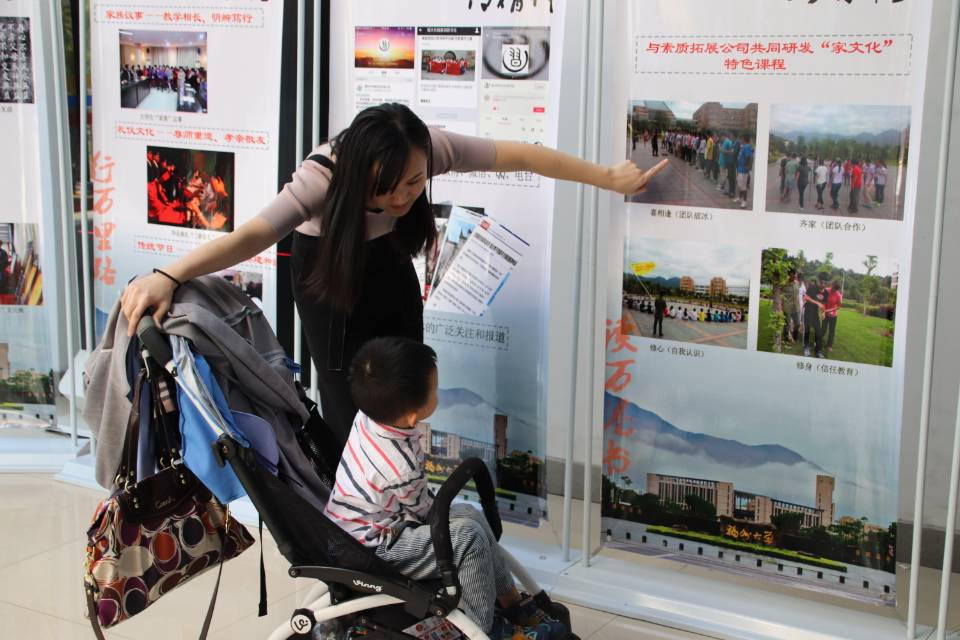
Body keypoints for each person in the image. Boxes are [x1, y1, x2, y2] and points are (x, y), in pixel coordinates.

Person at [121, 103, 662, 446]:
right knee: (350, 406)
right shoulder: (322, 177)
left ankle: (401, 496)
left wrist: (606, 177)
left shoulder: (423, 147)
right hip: (330, 281)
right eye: (387, 188)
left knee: (407, 385)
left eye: (415, 184)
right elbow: (254, 234)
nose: (404, 197)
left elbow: (519, 155)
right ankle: (353, 524)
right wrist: (169, 274)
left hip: (389, 267)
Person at [324, 337, 568, 639]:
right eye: (435, 390)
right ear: (413, 415)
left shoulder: (369, 416)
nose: (439, 394)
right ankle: (483, 627)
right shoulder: (398, 465)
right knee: (469, 539)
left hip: (368, 524)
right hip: (373, 548)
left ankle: (511, 602)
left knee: (470, 514)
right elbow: (425, 513)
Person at [802, 276, 826, 358]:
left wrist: (823, 312)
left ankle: (818, 351)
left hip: (815, 314)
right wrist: (817, 303)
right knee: (807, 330)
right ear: (818, 281)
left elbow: (823, 304)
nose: (823, 285)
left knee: (819, 332)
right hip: (808, 311)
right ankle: (806, 348)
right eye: (821, 283)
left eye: (825, 283)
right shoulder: (812, 287)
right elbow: (806, 297)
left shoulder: (825, 292)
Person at [823, 280, 843, 353]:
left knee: (831, 331)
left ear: (837, 289)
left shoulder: (838, 295)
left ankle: (829, 345)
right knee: (823, 329)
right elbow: (823, 300)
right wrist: (823, 310)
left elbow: (838, 306)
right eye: (832, 288)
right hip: (824, 313)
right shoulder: (826, 290)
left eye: (835, 289)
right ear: (831, 285)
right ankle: (818, 341)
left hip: (833, 315)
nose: (833, 290)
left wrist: (829, 310)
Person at [782, 270, 800, 343]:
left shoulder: (797, 283)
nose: (794, 276)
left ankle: (794, 337)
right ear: (789, 275)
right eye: (792, 275)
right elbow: (781, 295)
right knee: (787, 324)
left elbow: (797, 294)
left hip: (796, 307)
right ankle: (786, 338)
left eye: (794, 275)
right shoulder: (784, 284)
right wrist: (782, 305)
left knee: (798, 323)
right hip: (787, 307)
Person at [735, 136, 753, 209]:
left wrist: (747, 166)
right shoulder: (743, 146)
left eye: (741, 139)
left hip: (743, 170)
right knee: (740, 185)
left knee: (743, 186)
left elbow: (749, 157)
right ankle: (740, 198)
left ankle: (744, 202)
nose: (740, 140)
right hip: (740, 169)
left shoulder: (746, 147)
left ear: (744, 139)